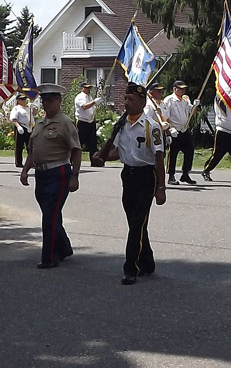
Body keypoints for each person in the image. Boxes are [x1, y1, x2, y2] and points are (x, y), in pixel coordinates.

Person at [92, 82, 167, 285]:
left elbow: (159, 158)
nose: (126, 102)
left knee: (136, 224)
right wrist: (102, 157)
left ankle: (130, 268)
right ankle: (147, 262)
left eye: (131, 99)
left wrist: (161, 188)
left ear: (142, 102)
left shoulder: (152, 126)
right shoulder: (121, 125)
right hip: (128, 176)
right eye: (125, 98)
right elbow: (117, 152)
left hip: (146, 177)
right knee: (136, 223)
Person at [19, 84, 82, 269]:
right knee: (51, 214)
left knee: (49, 215)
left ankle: (49, 257)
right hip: (41, 174)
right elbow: (32, 151)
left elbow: (76, 150)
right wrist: (25, 170)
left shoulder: (65, 123)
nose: (46, 103)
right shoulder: (40, 124)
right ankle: (64, 247)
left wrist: (75, 175)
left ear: (58, 101)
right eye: (44, 100)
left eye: (50, 100)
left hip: (58, 172)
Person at [202, 97, 231, 183]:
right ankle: (206, 170)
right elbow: (219, 102)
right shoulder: (221, 98)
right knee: (217, 154)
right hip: (223, 131)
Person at [163, 80, 199, 185]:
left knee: (190, 151)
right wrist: (170, 129)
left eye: (184, 89)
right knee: (173, 154)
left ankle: (185, 174)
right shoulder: (169, 100)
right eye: (180, 89)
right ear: (175, 89)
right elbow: (165, 117)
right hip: (175, 130)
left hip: (184, 130)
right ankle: (171, 176)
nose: (183, 90)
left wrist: (195, 106)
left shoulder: (185, 99)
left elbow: (192, 112)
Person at [74, 81, 100, 158]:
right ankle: (73, 160)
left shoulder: (89, 97)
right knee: (79, 143)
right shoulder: (80, 97)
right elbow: (84, 106)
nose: (88, 90)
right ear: (82, 88)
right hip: (82, 122)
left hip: (90, 122)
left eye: (89, 88)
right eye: (86, 88)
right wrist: (94, 102)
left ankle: (94, 160)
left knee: (93, 144)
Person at [10, 93, 34, 168]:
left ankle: (31, 162)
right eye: (22, 99)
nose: (24, 100)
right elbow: (13, 119)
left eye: (24, 99)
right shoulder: (16, 108)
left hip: (29, 127)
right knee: (19, 146)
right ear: (18, 100)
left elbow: (34, 114)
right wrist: (18, 126)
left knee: (30, 146)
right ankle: (19, 162)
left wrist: (34, 108)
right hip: (21, 127)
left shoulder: (28, 108)